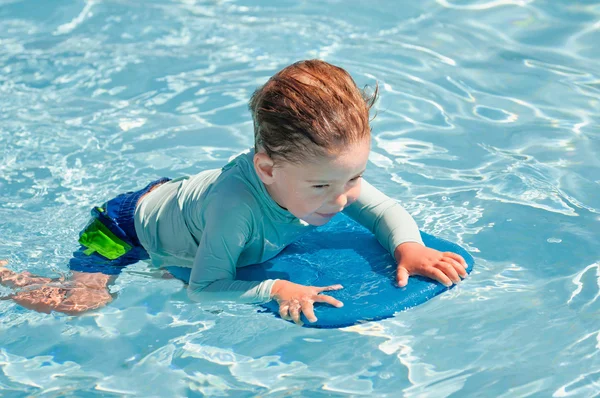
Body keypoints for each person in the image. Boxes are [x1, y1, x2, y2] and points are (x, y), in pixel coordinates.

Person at [0, 60, 467, 325]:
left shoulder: (324, 177)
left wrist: (409, 247)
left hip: (181, 205)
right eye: (323, 186)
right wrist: (275, 287)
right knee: (85, 304)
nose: (343, 199)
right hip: (125, 230)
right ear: (267, 168)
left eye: (353, 178)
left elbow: (383, 209)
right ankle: (9, 279)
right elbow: (203, 291)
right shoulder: (237, 207)